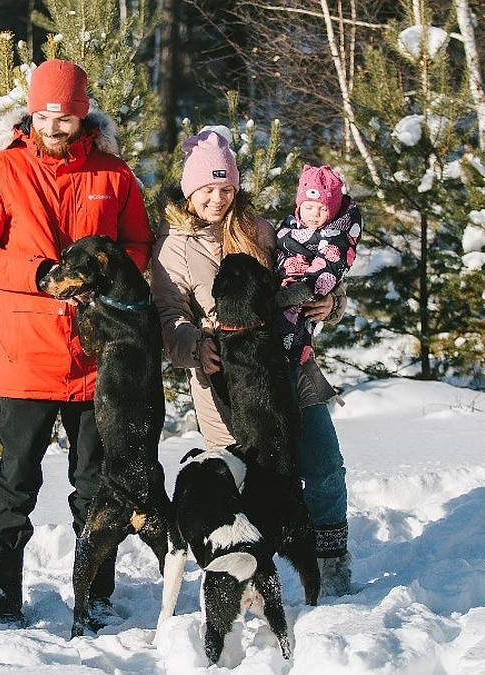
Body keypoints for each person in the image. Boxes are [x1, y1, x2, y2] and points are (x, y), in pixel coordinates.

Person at [0, 58, 155, 625]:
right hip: (26, 358)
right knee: (16, 483)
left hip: (98, 360)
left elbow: (139, 244)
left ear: (82, 115)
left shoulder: (113, 175)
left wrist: (110, 275)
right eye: (44, 115)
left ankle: (97, 595)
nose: (55, 126)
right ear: (31, 114)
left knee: (95, 486)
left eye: (65, 116)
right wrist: (39, 275)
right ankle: (3, 600)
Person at [149, 126, 353, 596]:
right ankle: (251, 580)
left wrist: (333, 301)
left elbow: (310, 274)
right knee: (247, 484)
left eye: (226, 188)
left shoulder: (261, 231)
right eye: (207, 189)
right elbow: (169, 315)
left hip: (290, 368)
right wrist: (193, 345)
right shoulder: (172, 246)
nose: (217, 199)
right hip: (225, 384)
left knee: (322, 465)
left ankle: (331, 566)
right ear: (189, 189)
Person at [275, 164, 363, 365]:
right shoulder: (289, 226)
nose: (314, 214)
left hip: (305, 291)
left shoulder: (336, 235)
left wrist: (305, 288)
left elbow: (331, 266)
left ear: (332, 210)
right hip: (278, 287)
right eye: (308, 207)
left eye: (322, 209)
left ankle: (295, 360)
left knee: (296, 326)